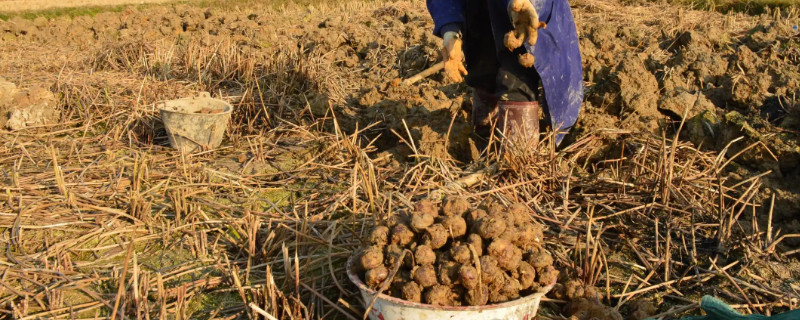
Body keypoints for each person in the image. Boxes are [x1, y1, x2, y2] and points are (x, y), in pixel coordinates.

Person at [426, 0, 584, 148]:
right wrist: (450, 30)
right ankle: (486, 145)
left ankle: (519, 160)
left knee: (518, 79)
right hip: (479, 15)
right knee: (483, 72)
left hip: (527, 15)